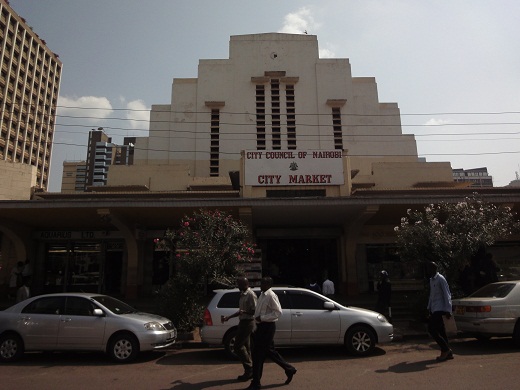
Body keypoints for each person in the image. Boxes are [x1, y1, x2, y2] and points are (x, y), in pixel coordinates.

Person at [247, 277, 296, 390]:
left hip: (267, 327)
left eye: (264, 283)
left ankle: (256, 383)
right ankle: (289, 369)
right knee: (269, 352)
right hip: (260, 327)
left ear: (269, 284)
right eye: (261, 283)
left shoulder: (271, 295)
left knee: (257, 355)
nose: (261, 285)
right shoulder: (262, 295)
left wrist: (263, 318)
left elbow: (278, 312)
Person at [222, 276, 257, 381]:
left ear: (246, 284)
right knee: (246, 346)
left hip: (248, 322)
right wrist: (229, 317)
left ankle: (249, 367)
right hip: (243, 321)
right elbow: (240, 311)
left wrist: (244, 312)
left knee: (237, 346)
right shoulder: (242, 294)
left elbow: (255, 311)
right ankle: (250, 372)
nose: (238, 286)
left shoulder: (251, 295)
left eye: (240, 284)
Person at [426, 261, 453, 362]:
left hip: (441, 308)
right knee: (441, 331)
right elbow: (432, 295)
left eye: (429, 268)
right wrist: (429, 307)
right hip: (434, 308)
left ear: (433, 268)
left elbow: (447, 294)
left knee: (431, 329)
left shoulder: (440, 279)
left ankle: (445, 349)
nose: (427, 270)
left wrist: (448, 309)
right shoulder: (431, 280)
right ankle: (448, 353)